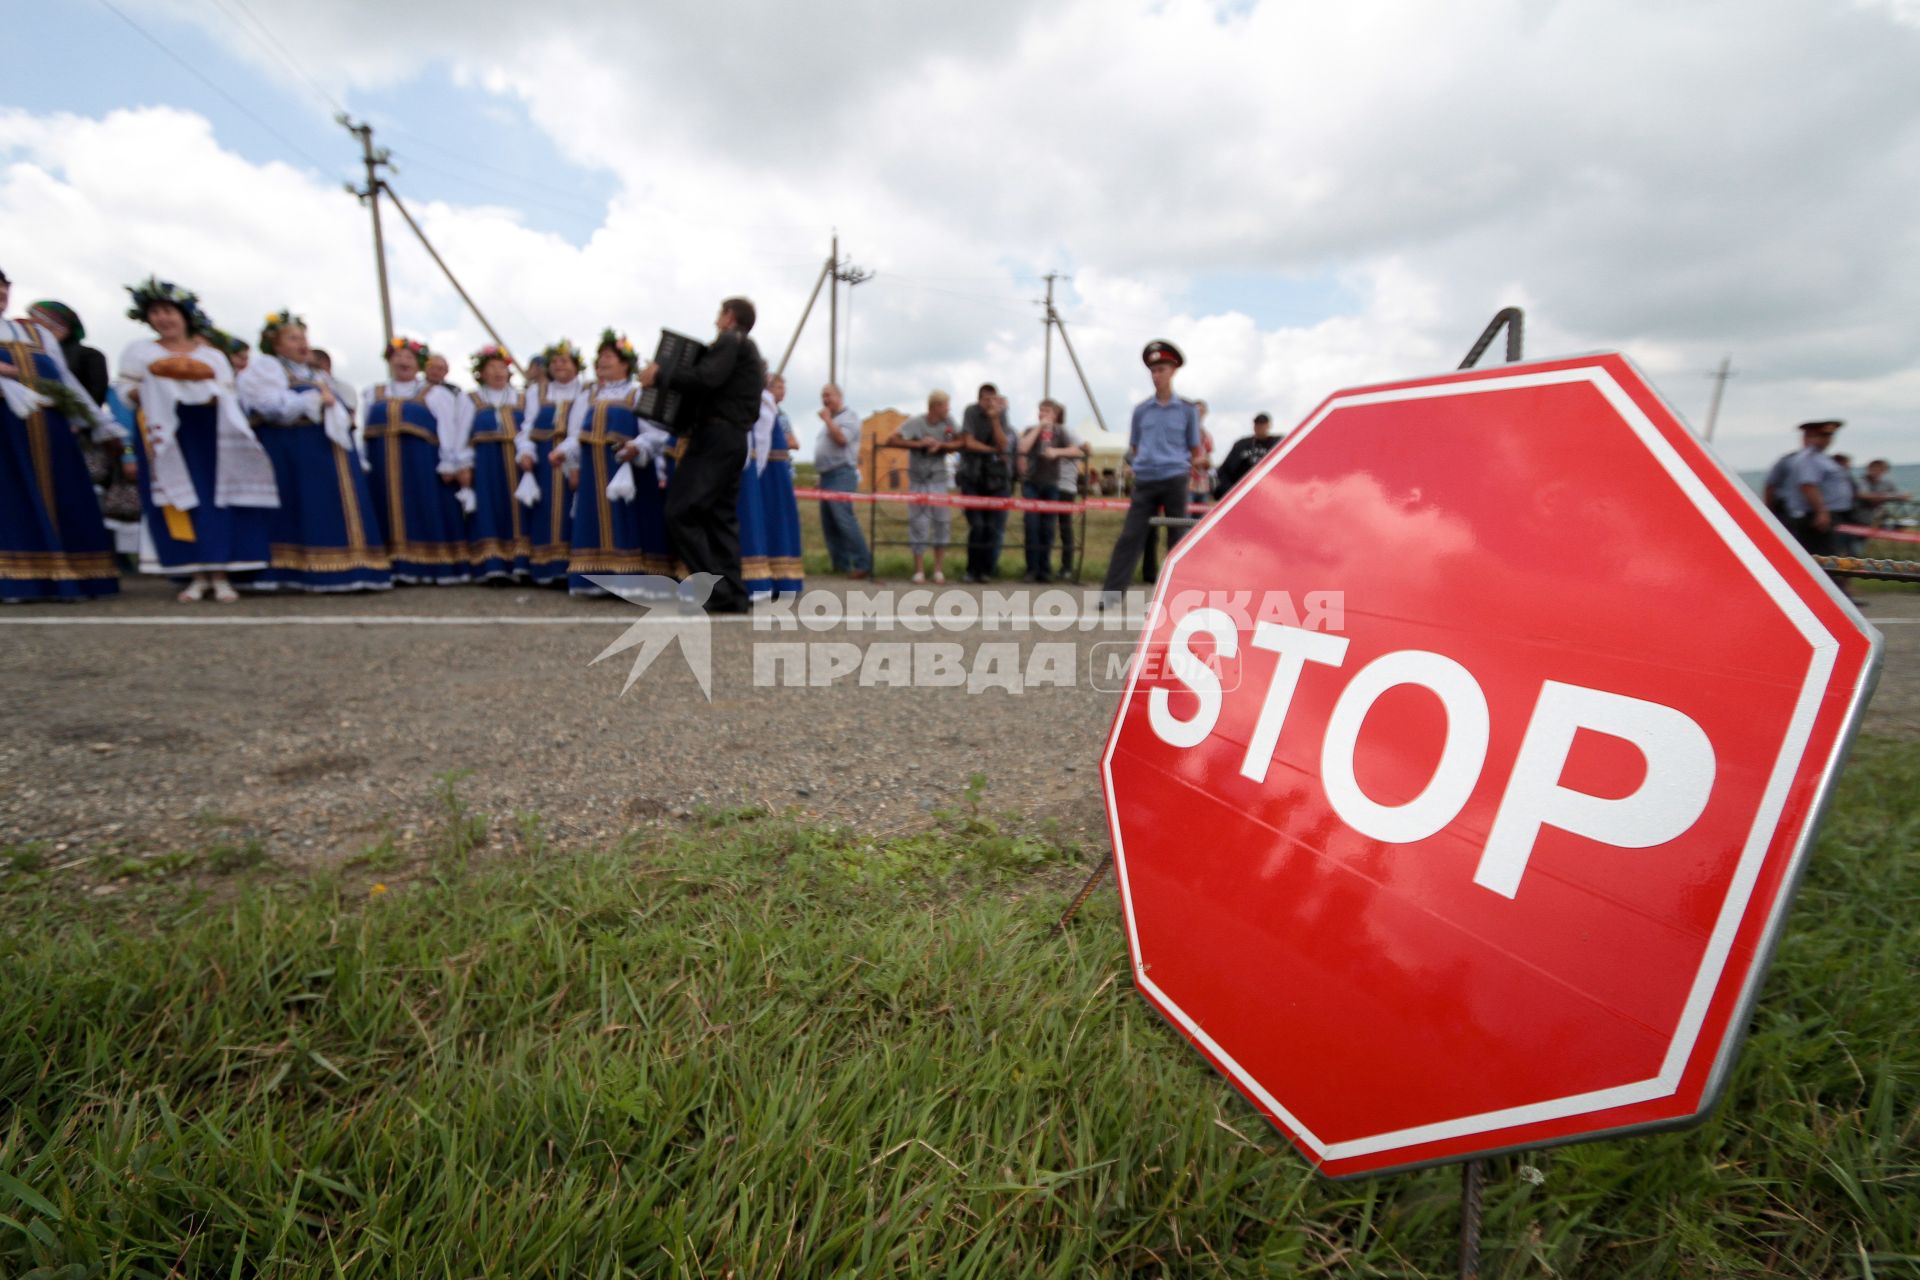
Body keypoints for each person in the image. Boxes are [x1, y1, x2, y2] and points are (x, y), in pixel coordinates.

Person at [115, 277, 278, 601]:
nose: (163, 318)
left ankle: (220, 574)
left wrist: (201, 391)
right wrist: (153, 387)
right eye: (156, 312)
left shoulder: (211, 356)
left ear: (185, 315)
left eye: (169, 311)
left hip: (208, 433)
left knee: (215, 501)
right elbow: (125, 393)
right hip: (164, 434)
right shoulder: (140, 352)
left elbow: (227, 395)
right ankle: (194, 574)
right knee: (178, 500)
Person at [237, 310, 391, 592]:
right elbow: (270, 406)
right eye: (293, 338)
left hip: (323, 447)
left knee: (327, 504)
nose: (301, 343)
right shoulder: (267, 368)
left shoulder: (316, 374)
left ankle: (346, 566)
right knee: (298, 505)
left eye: (303, 337)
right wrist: (315, 399)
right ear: (276, 344)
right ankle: (294, 570)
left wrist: (328, 403)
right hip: (289, 447)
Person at [0, 265, 122, 601]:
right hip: (4, 432)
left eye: (3, 286)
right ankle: (14, 581)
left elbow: (67, 384)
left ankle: (67, 576)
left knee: (62, 497)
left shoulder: (39, 335)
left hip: (50, 430)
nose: (0, 293)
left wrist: (101, 424)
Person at [641, 297, 768, 613]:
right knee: (719, 517)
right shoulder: (746, 348)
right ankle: (734, 594)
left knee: (680, 511)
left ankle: (717, 588)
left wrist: (660, 374)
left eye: (719, 315)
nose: (716, 321)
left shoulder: (730, 341)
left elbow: (704, 378)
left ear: (728, 317)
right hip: (732, 439)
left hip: (715, 438)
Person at [555, 330, 673, 595]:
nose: (602, 361)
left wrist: (638, 446)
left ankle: (633, 581)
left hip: (627, 471)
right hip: (593, 474)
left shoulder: (637, 393)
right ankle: (596, 581)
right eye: (600, 357)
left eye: (609, 356)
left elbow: (656, 433)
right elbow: (578, 433)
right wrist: (565, 452)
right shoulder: (590, 396)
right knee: (594, 522)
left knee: (628, 521)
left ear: (625, 363)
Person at [1101, 340, 1204, 604]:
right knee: (1130, 536)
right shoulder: (1141, 411)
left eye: (1162, 369)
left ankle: (1178, 596)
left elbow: (1194, 447)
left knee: (1177, 538)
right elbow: (1134, 445)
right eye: (1153, 370)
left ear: (1173, 371)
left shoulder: (1187, 410)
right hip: (1146, 478)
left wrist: (1189, 469)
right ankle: (1112, 594)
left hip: (1174, 478)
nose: (1156, 375)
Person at [362, 336, 470, 584]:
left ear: (418, 364)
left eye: (409, 357)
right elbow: (364, 432)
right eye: (398, 356)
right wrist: (364, 462)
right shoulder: (373, 392)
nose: (403, 361)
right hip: (381, 467)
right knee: (383, 508)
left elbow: (448, 429)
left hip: (422, 466)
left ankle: (429, 567)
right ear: (390, 361)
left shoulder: (436, 394)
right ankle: (391, 566)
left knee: (424, 509)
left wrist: (450, 462)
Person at [516, 339, 584, 586]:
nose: (558, 366)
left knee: (572, 512)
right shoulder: (537, 391)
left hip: (573, 457)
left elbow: (580, 429)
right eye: (554, 362)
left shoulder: (585, 391)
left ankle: (569, 569)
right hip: (543, 459)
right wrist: (525, 451)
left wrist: (573, 462)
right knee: (542, 511)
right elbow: (527, 425)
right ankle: (544, 569)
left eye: (564, 361)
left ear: (576, 365)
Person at [461, 345, 530, 581]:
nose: (498, 372)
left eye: (502, 367)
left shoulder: (522, 398)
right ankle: (492, 565)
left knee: (520, 510)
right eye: (492, 368)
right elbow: (461, 434)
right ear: (481, 373)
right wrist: (464, 464)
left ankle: (521, 563)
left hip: (518, 461)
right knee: (488, 508)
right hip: (485, 462)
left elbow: (529, 431)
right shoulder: (471, 399)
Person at [885, 389, 964, 583]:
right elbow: (891, 439)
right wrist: (919, 444)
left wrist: (941, 446)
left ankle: (938, 570)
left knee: (941, 523)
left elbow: (961, 441)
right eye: (945, 405)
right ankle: (918, 570)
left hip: (939, 481)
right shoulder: (915, 423)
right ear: (935, 407)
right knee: (918, 524)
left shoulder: (949, 423)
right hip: (918, 482)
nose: (948, 409)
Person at [1015, 398, 1080, 583]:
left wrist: (1058, 452)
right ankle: (1031, 569)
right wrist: (1038, 429)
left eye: (1047, 411)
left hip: (1052, 484)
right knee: (1032, 526)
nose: (1043, 414)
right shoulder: (1030, 430)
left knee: (1048, 528)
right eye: (1041, 410)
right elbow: (1022, 448)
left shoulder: (1061, 432)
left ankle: (1045, 569)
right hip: (1031, 483)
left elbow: (1075, 450)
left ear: (1055, 414)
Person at [813, 381, 870, 578]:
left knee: (844, 520)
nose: (825, 399)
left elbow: (842, 439)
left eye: (829, 395)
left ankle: (863, 563)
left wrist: (828, 420)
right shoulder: (833, 419)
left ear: (839, 396)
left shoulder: (849, 417)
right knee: (829, 523)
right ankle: (841, 564)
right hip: (827, 475)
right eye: (823, 395)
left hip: (842, 474)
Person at [956, 383, 1013, 582]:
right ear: (979, 399)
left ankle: (986, 571)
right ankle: (972, 570)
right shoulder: (970, 412)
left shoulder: (1001, 414)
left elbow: (1004, 444)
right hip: (972, 476)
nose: (990, 403)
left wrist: (995, 419)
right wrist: (991, 451)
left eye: (993, 399)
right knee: (977, 525)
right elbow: (968, 442)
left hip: (995, 479)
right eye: (986, 399)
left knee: (991, 526)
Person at [759, 373, 805, 598]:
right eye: (777, 387)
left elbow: (792, 442)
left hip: (776, 472)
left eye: (782, 387)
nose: (781, 391)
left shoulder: (779, 415)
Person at [27, 301, 108, 406]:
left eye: (36, 316)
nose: (29, 321)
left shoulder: (90, 355)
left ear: (61, 324)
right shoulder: (28, 352)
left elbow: (95, 397)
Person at [1213, 412, 1282, 497]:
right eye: (1257, 424)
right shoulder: (1242, 445)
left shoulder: (1278, 443)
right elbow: (1224, 470)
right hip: (1243, 490)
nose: (1260, 427)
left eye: (1263, 424)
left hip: (1269, 490)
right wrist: (1230, 490)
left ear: (1268, 425)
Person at [1857, 459, 1911, 529]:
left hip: (1878, 513)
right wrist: (1890, 496)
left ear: (1885, 471)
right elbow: (1863, 495)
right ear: (1868, 469)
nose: (1876, 471)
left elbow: (1900, 494)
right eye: (1874, 469)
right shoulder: (1862, 481)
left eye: (1880, 469)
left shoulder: (1887, 482)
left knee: (1898, 525)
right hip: (1861, 513)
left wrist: (1902, 495)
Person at [1189, 398, 1215, 507]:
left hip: (1203, 485)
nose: (1199, 414)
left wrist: (1207, 463)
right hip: (1187, 483)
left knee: (1201, 520)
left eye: (1202, 411)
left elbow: (1209, 458)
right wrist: (1194, 461)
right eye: (1196, 411)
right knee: (1184, 520)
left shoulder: (1207, 435)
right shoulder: (1183, 433)